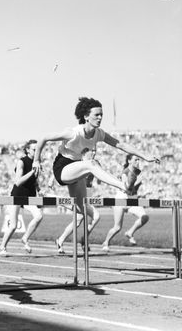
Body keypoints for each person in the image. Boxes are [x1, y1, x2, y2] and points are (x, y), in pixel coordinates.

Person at [32, 97, 159, 254]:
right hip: (62, 168)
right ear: (86, 116)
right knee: (92, 164)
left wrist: (145, 156)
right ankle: (123, 185)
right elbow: (43, 138)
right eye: (96, 115)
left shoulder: (99, 134)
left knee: (82, 211)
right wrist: (36, 160)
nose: (100, 118)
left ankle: (54, 207)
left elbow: (122, 145)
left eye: (101, 115)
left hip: (78, 169)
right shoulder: (73, 133)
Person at [0, 140, 42, 256]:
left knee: (39, 216)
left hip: (29, 196)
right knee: (13, 225)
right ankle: (3, 247)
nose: (37, 151)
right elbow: (18, 182)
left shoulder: (37, 162)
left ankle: (25, 238)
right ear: (28, 150)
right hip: (17, 195)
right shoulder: (21, 162)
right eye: (34, 149)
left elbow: (35, 180)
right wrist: (32, 172)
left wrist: (39, 189)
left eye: (38, 149)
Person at [57, 148, 101, 253]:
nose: (94, 153)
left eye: (95, 151)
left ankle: (61, 240)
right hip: (79, 194)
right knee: (94, 216)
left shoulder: (95, 163)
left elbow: (99, 180)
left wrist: (98, 169)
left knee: (78, 221)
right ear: (84, 153)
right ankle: (82, 241)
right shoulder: (77, 163)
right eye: (92, 151)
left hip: (88, 193)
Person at [101, 154, 149, 252]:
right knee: (117, 227)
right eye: (136, 159)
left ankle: (130, 232)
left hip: (132, 200)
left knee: (144, 217)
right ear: (129, 161)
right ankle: (106, 242)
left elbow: (135, 189)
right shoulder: (125, 172)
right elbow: (127, 189)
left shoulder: (139, 173)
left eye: (139, 159)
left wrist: (139, 183)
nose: (138, 162)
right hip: (121, 200)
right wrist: (134, 182)